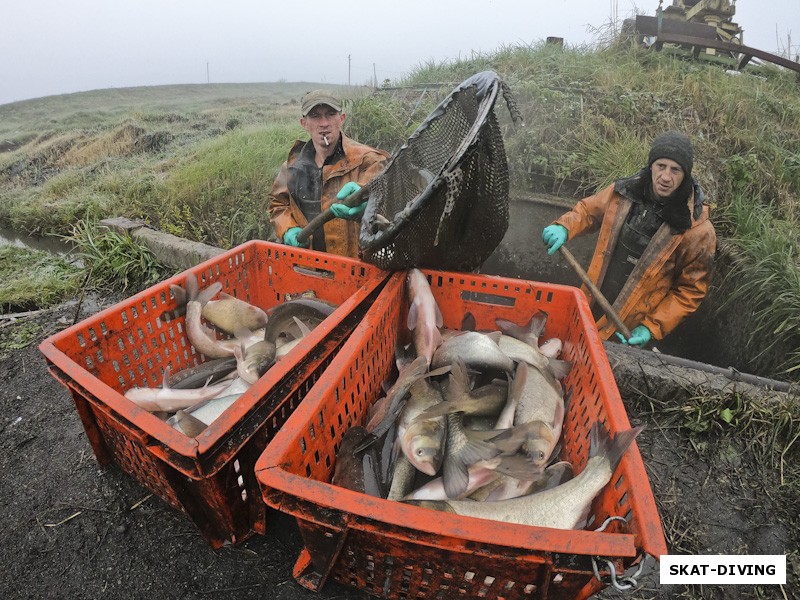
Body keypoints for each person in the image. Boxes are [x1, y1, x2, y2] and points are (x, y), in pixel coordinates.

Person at [541, 130, 716, 348]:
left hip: (630, 327)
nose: (665, 177)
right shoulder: (623, 193)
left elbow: (690, 291)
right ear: (651, 165)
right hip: (592, 300)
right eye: (661, 166)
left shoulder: (698, 231)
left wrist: (651, 327)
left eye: (675, 170)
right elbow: (588, 212)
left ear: (685, 175)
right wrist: (564, 227)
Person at [268, 90, 390, 258]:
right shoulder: (291, 167)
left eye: (331, 114)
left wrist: (366, 199)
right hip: (308, 264)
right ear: (304, 123)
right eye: (316, 116)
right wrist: (288, 229)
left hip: (353, 266)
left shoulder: (369, 160)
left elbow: (385, 193)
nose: (324, 123)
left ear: (342, 118)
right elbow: (278, 205)